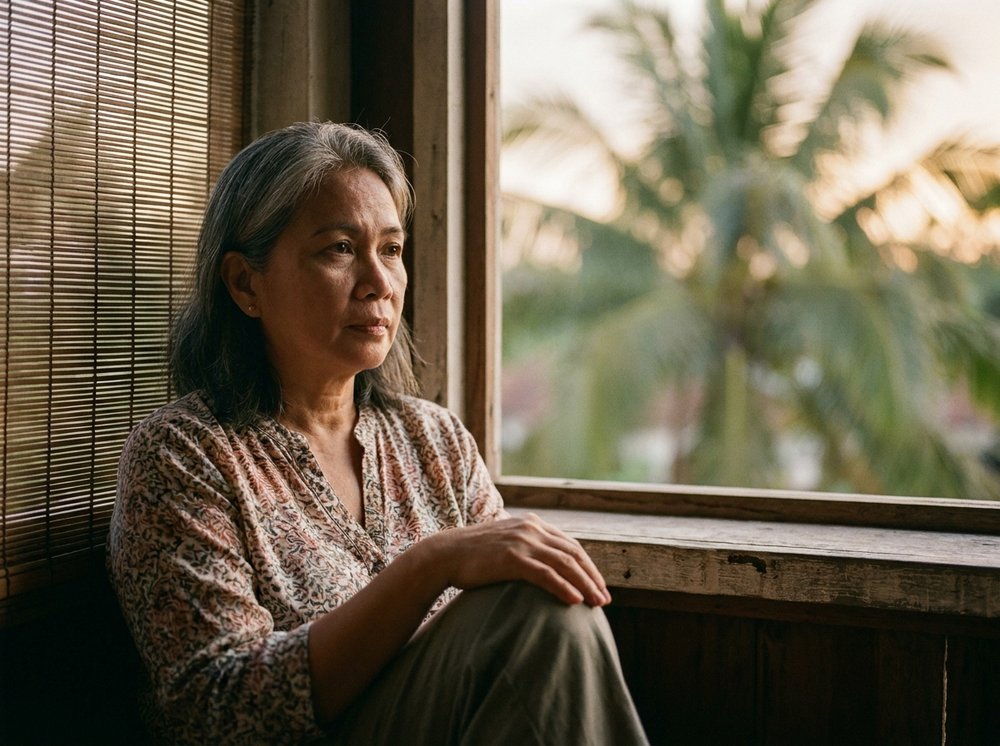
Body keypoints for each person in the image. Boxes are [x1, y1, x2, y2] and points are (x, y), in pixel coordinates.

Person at [107, 121, 649, 745]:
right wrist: (427, 565)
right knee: (534, 615)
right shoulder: (185, 455)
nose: (380, 282)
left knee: (549, 606)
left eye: (390, 249)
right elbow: (216, 708)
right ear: (245, 283)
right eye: (340, 249)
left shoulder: (435, 439)